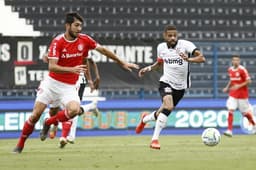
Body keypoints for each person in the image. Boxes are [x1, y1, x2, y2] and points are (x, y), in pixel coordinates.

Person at [13, 12, 138, 153]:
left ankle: (48, 122)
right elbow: (52, 66)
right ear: (68, 25)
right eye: (76, 25)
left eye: (81, 26)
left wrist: (122, 62)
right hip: (51, 84)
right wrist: (72, 69)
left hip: (69, 86)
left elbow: (103, 50)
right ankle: (20, 144)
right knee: (35, 115)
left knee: (74, 110)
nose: (79, 29)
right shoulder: (58, 41)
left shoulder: (84, 40)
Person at [135, 25, 205, 149]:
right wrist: (148, 68)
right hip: (166, 82)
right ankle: (154, 140)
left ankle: (145, 119)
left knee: (163, 111)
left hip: (181, 87)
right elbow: (160, 63)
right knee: (168, 106)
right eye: (170, 35)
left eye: (174, 35)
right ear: (165, 36)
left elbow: (201, 58)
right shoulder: (161, 47)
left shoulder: (186, 45)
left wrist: (188, 59)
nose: (172, 38)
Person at [49, 57, 101, 148]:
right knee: (67, 108)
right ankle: (91, 106)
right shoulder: (62, 48)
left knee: (73, 108)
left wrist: (94, 78)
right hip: (66, 81)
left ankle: (70, 136)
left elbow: (90, 61)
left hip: (79, 81)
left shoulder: (80, 47)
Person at [222, 55, 256, 137]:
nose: (236, 61)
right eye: (234, 60)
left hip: (242, 95)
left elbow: (248, 81)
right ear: (232, 61)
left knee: (245, 113)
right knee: (231, 110)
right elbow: (231, 79)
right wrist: (227, 87)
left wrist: (238, 86)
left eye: (237, 60)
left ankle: (254, 125)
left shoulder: (242, 70)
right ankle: (229, 130)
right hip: (233, 94)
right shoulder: (230, 70)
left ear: (239, 61)